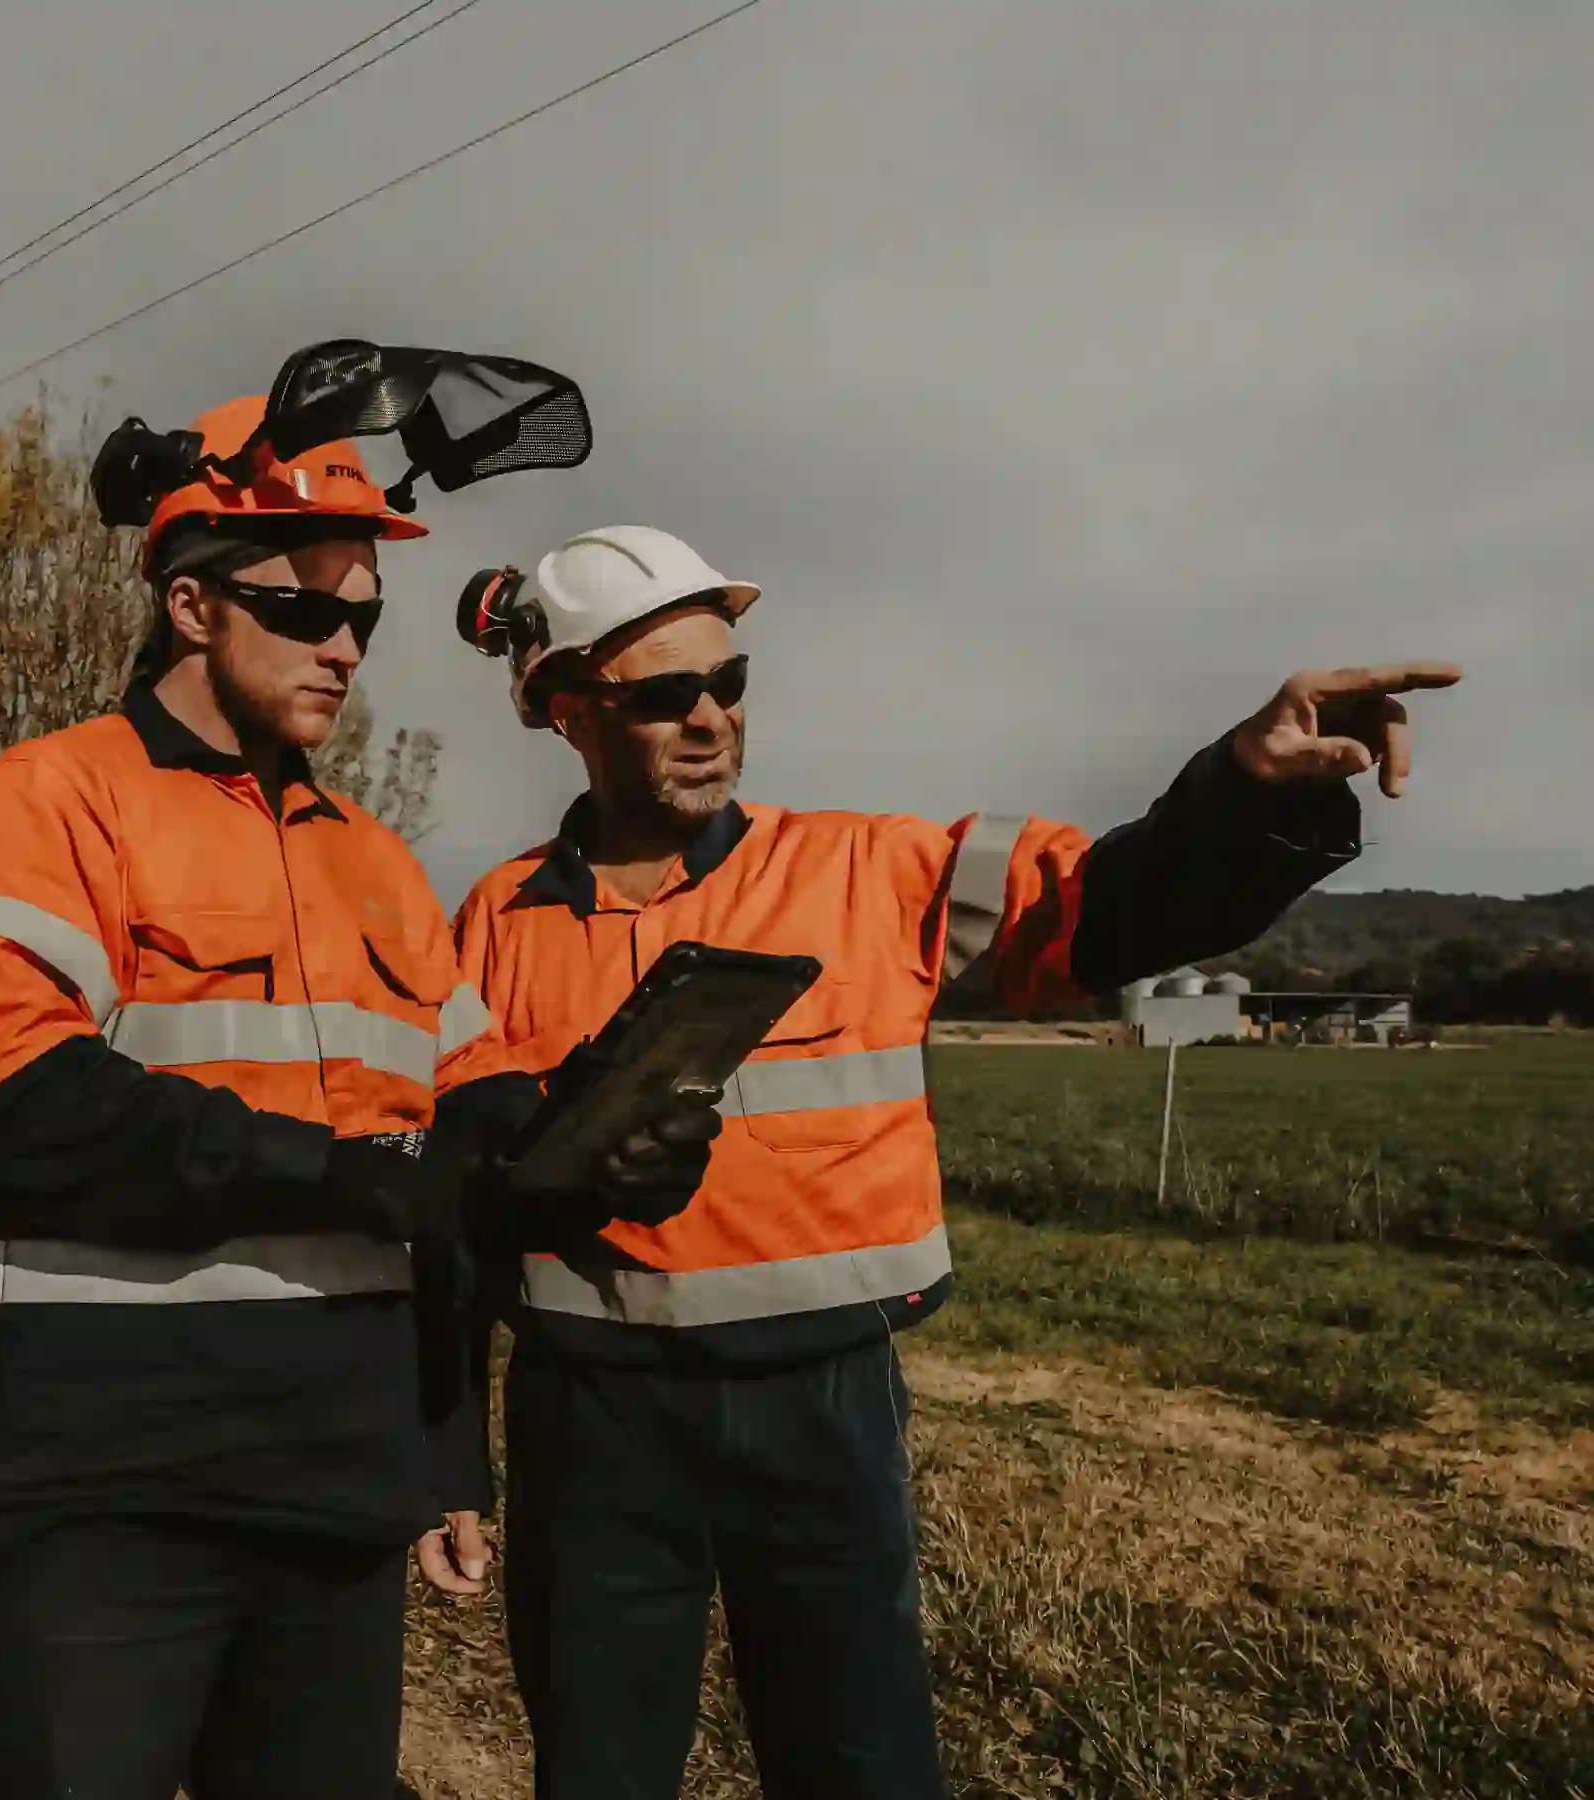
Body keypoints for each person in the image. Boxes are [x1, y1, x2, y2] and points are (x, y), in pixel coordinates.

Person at [438, 524, 1459, 1799]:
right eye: (663, 694)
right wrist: (445, 1457)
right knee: (599, 1765)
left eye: (730, 681)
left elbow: (1113, 905)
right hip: (591, 1422)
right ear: (565, 711)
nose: (709, 717)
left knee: (861, 1763)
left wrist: (1252, 791)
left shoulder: (874, 869)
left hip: (821, 1408)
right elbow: (464, 1199)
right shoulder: (494, 919)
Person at [0, 399, 692, 1799]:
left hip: (333, 1490)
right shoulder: (47, 803)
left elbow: (471, 1128)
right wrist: (356, 1176)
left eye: (366, 622)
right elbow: (10, 1100)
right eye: (303, 610)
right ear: (192, 604)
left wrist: (599, 1148)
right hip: (106, 1492)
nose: (344, 648)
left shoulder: (376, 864)